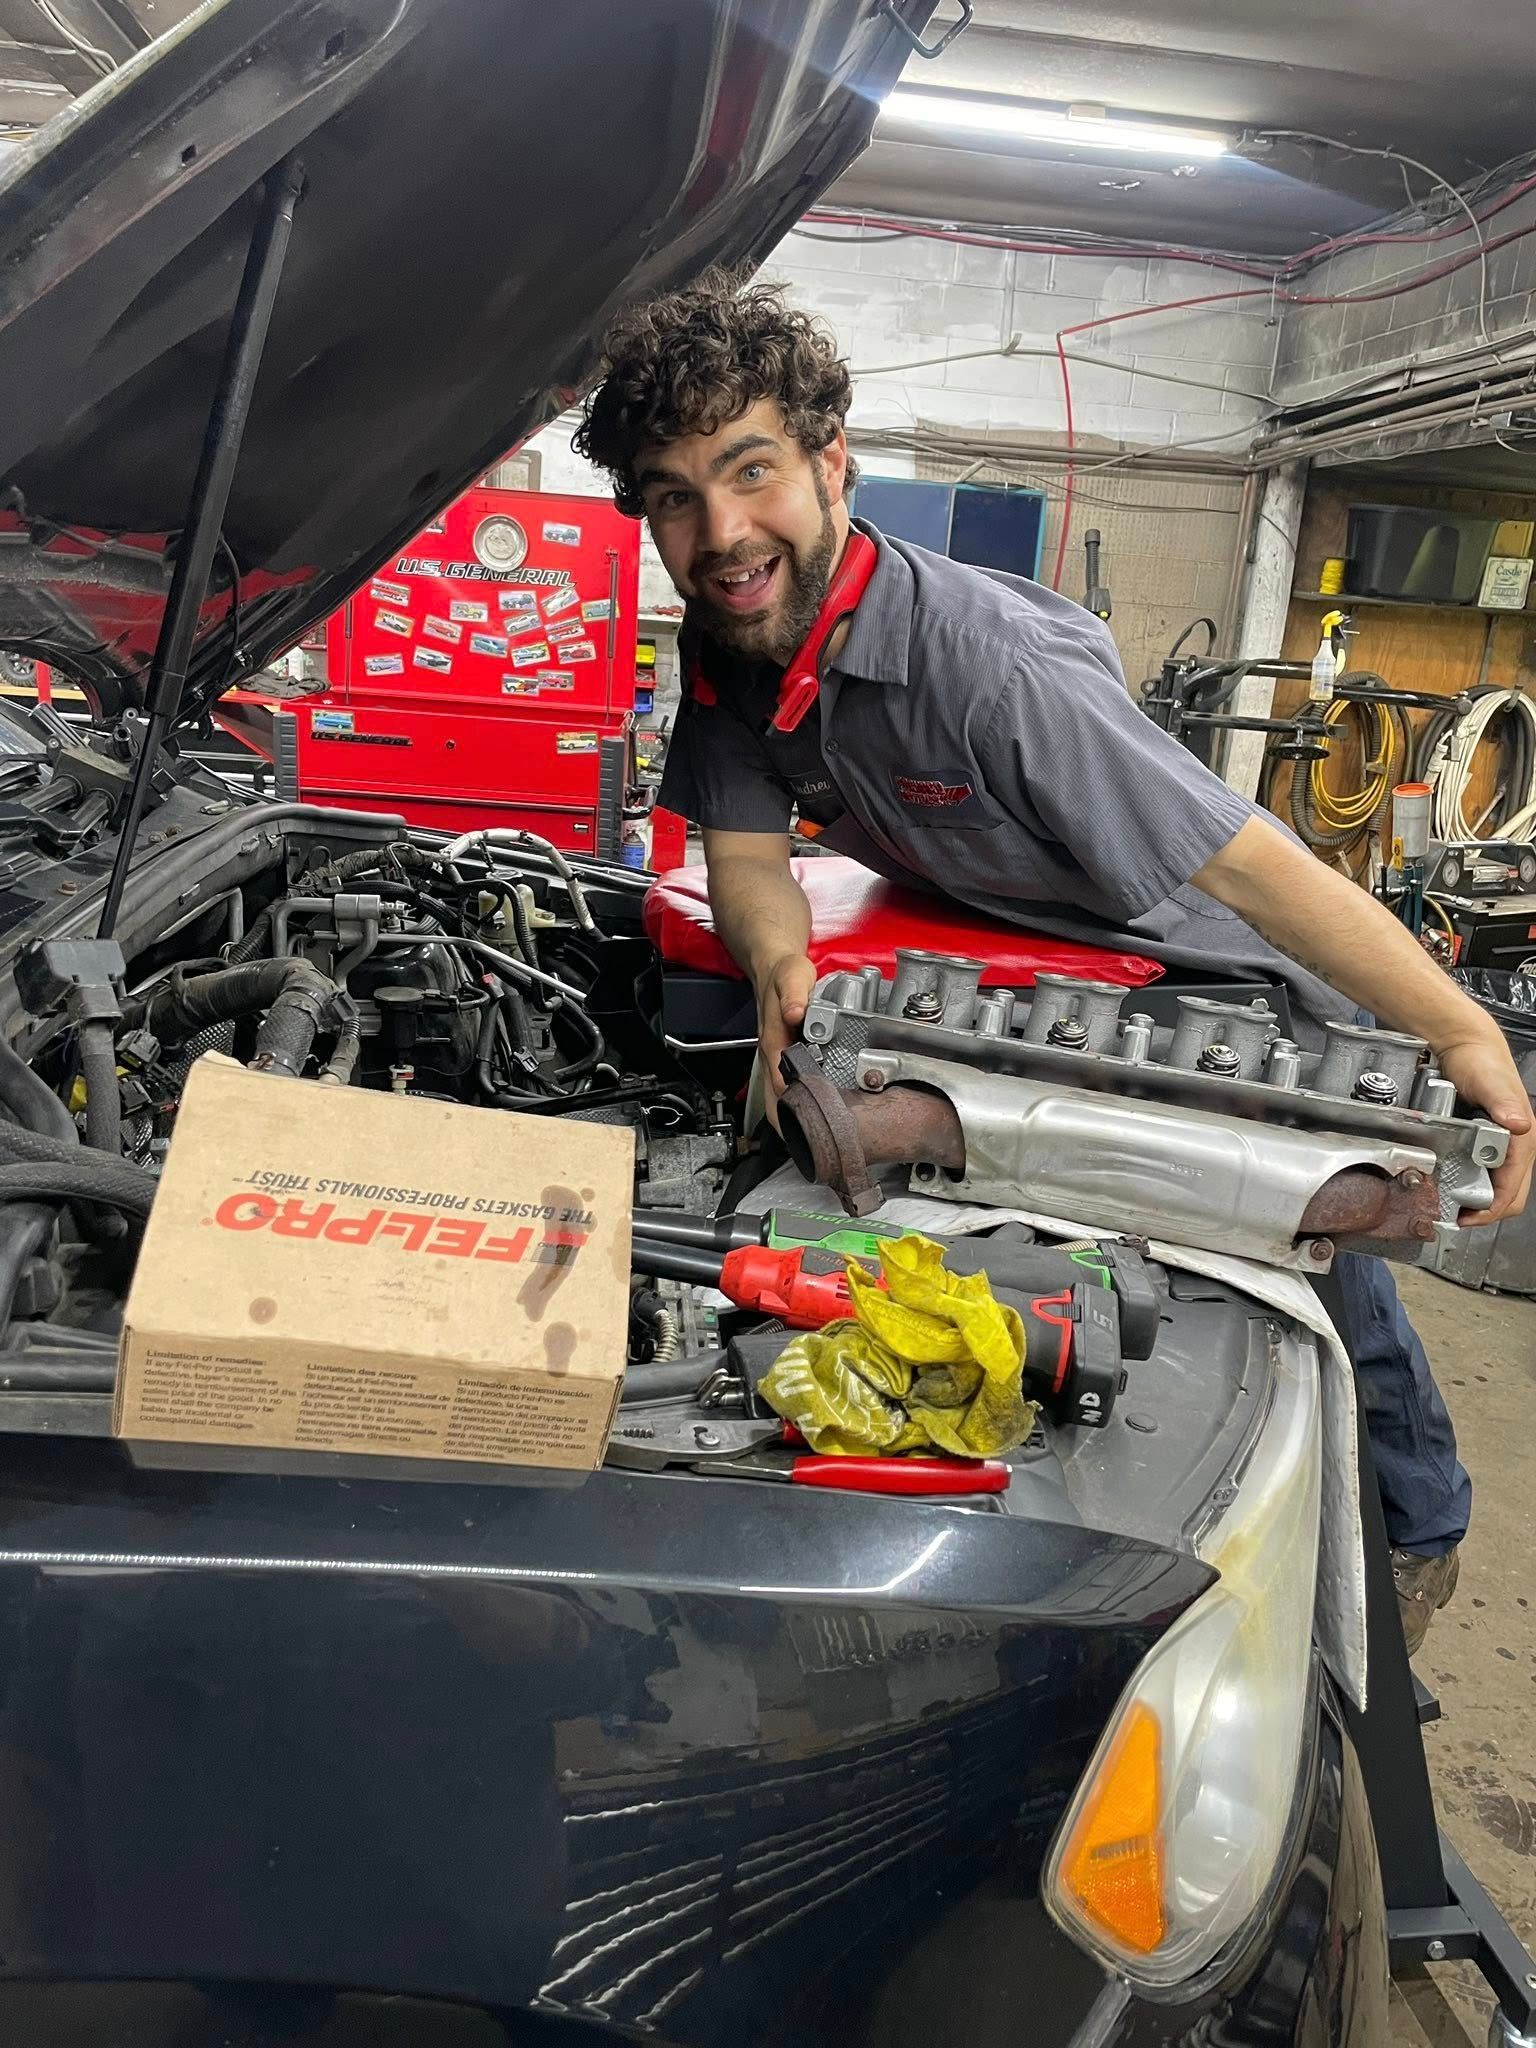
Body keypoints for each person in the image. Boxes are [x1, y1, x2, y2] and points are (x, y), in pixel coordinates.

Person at [573, 271, 1534, 1652]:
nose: (721, 531)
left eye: (751, 472)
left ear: (831, 461)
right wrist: (783, 975)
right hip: (1025, 970)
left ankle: (1413, 1546)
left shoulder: (989, 672)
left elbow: (1258, 867)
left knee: (1302, 1266)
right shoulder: (735, 647)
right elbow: (742, 855)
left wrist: (1459, 1038)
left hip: (1208, 988)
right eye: (674, 495)